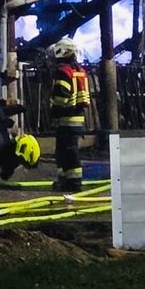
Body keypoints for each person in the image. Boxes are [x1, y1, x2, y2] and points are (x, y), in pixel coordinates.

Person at [49, 37, 90, 192]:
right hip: (77, 119)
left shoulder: (63, 72)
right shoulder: (79, 71)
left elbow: (61, 97)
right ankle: (66, 180)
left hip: (65, 119)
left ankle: (74, 182)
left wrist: (52, 107)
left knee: (67, 152)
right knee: (66, 151)